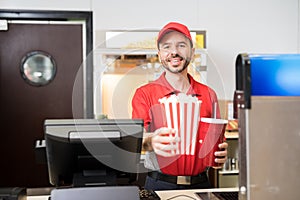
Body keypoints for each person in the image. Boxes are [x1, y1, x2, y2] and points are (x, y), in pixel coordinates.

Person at [131, 22, 228, 190]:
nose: (174, 52)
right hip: (160, 184)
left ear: (192, 51)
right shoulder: (144, 94)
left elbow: (217, 139)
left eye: (181, 45)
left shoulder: (209, 94)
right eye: (167, 47)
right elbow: (137, 139)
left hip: (201, 184)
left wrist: (221, 153)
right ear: (160, 54)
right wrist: (151, 141)